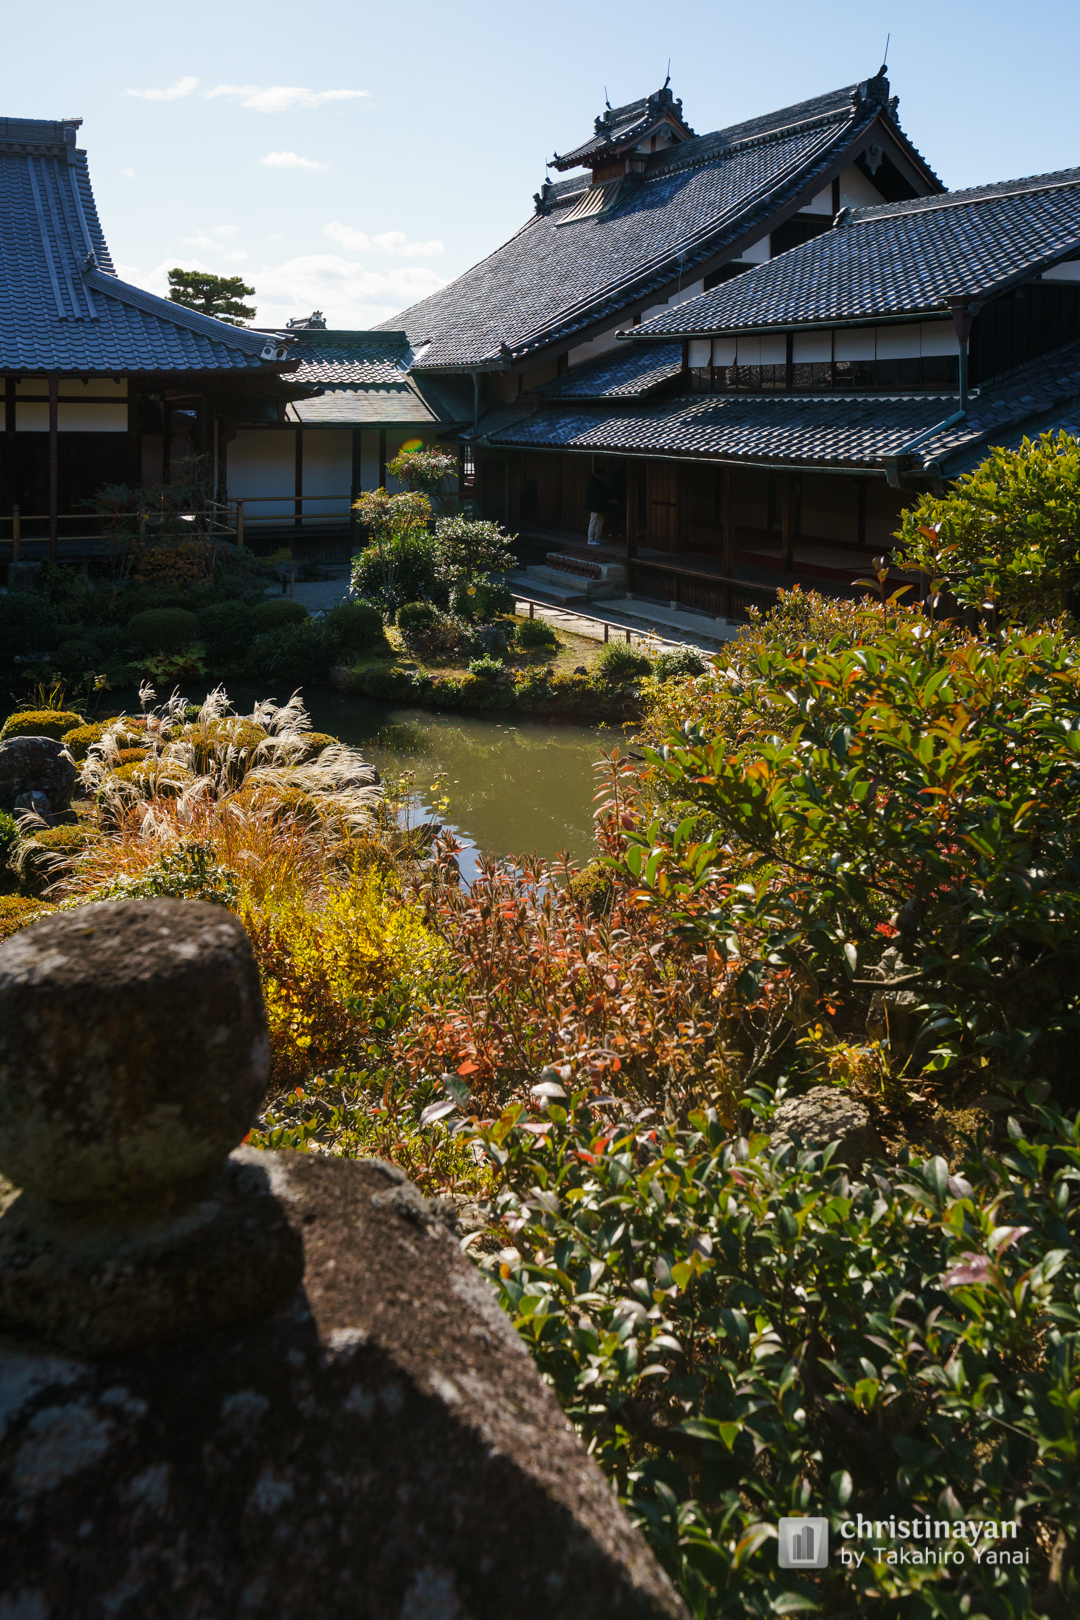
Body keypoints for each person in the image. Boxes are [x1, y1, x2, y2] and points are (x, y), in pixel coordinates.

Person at [586, 469, 606, 545]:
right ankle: (590, 539)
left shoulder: (594, 481)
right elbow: (597, 495)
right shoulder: (595, 482)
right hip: (595, 505)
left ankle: (597, 538)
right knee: (594, 521)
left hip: (596, 505)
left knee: (599, 520)